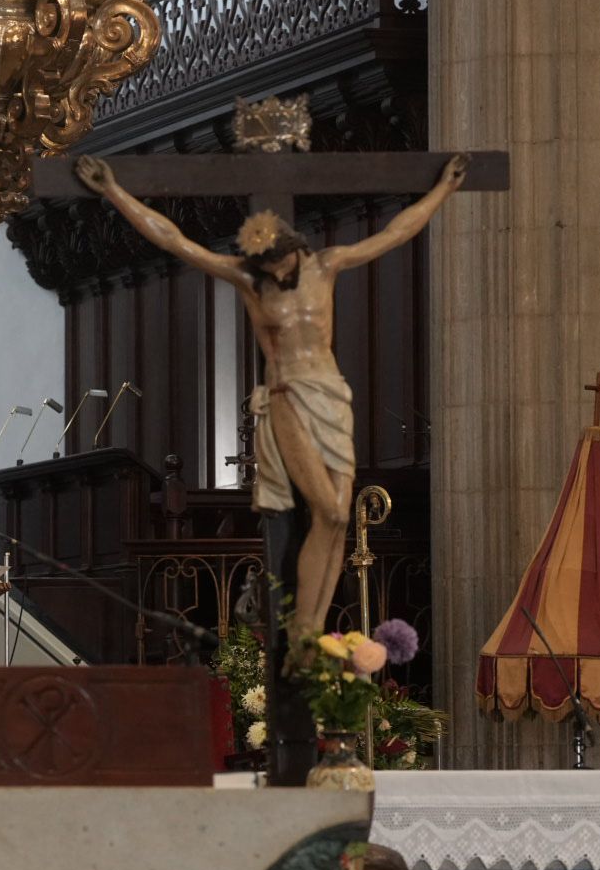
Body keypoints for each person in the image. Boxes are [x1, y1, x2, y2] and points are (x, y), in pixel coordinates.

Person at [76, 152, 468, 639]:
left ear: (296, 249)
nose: (276, 275)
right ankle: (303, 629)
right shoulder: (249, 278)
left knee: (340, 516)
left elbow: (394, 233)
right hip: (287, 396)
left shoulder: (326, 265)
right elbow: (176, 241)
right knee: (325, 509)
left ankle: (312, 627)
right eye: (268, 268)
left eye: (281, 264)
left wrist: (442, 192)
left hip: (330, 396)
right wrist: (114, 191)